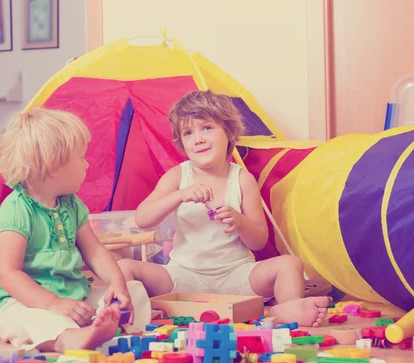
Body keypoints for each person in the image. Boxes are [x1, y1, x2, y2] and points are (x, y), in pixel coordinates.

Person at [119, 90, 329, 327]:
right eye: (188, 133)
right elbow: (142, 218)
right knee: (124, 267)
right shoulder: (178, 176)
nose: (198, 138)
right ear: (182, 143)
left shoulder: (241, 179)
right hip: (184, 276)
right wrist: (180, 195)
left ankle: (288, 307)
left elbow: (259, 241)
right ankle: (129, 314)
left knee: (290, 264)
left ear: (229, 132)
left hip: (235, 276)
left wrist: (240, 222)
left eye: (206, 128)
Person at [0, 107, 145, 352]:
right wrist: (52, 303)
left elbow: (95, 252)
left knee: (135, 291)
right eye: (81, 157)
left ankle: (105, 323)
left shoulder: (72, 204)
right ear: (54, 167)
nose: (87, 164)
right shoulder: (16, 211)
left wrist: (117, 282)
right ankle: (72, 338)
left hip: (72, 297)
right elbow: (9, 274)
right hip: (21, 302)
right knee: (37, 322)